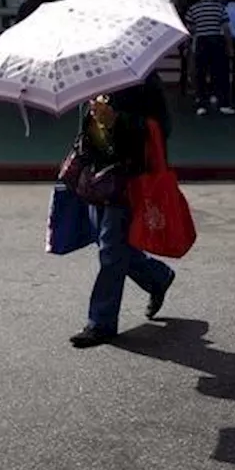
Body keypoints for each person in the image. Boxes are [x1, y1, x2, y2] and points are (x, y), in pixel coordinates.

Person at [70, 72, 176, 349]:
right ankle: (158, 276)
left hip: (128, 180)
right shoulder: (95, 77)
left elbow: (159, 129)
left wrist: (117, 120)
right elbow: (92, 133)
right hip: (99, 178)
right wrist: (92, 120)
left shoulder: (144, 81)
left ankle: (101, 323)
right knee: (116, 247)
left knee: (110, 250)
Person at [184, 0, 234, 116]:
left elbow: (190, 31)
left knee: (200, 73)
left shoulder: (193, 9)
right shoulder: (220, 7)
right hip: (217, 41)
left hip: (202, 42)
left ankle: (201, 104)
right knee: (219, 73)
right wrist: (229, 47)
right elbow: (226, 29)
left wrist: (188, 47)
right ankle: (222, 103)